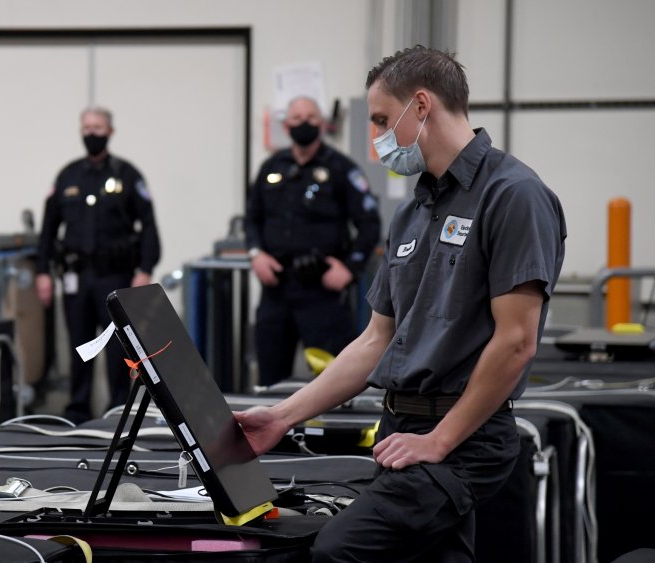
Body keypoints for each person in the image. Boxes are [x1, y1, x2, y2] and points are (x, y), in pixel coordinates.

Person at [235, 46, 566, 562]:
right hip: (400, 430)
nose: (377, 138)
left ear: (421, 105)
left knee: (335, 550)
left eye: (382, 120)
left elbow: (517, 341)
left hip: (463, 438)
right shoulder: (414, 212)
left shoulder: (513, 194)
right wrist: (282, 417)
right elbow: (376, 340)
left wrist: (438, 440)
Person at [35, 106, 161, 423]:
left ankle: (117, 409)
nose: (92, 133)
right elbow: (48, 230)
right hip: (76, 277)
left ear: (110, 132)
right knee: (81, 346)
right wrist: (42, 273)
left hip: (114, 277)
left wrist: (144, 270)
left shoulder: (127, 175)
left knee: (117, 347)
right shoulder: (68, 176)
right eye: (87, 127)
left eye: (98, 127)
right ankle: (78, 409)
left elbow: (148, 227)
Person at [246, 96, 381, 387]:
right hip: (276, 290)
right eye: (296, 118)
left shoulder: (342, 169)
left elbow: (370, 225)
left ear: (322, 124)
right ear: (285, 125)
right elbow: (252, 219)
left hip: (322, 293)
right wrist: (256, 254)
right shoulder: (271, 166)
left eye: (310, 117)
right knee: (269, 380)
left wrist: (349, 268)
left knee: (334, 381)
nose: (304, 123)